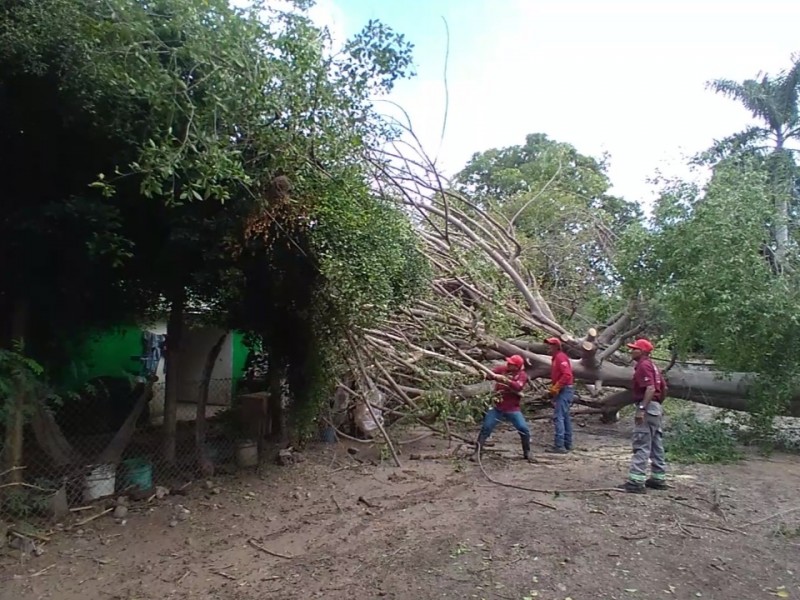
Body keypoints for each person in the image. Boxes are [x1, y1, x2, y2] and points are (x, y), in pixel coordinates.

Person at [622, 338, 668, 493]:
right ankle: (658, 478)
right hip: (655, 407)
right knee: (656, 443)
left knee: (642, 442)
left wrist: (642, 408)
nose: (631, 351)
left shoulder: (643, 366)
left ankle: (636, 481)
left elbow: (650, 388)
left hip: (647, 407)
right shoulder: (653, 366)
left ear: (641, 351)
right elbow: (664, 388)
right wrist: (658, 404)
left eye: (634, 348)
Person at [470, 354, 532, 462]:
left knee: (523, 429)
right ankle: (477, 452)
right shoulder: (502, 369)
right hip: (497, 406)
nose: (508, 364)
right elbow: (489, 375)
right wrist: (481, 372)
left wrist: (506, 380)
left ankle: (527, 452)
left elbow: (518, 386)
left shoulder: (522, 375)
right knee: (486, 427)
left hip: (512, 408)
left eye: (511, 364)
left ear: (517, 366)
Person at [544, 337, 575, 453]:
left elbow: (567, 375)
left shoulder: (560, 357)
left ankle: (559, 445)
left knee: (559, 417)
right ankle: (567, 443)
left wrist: (556, 387)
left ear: (557, 347)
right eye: (548, 345)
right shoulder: (556, 358)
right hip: (564, 389)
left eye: (550, 345)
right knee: (565, 416)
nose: (548, 347)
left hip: (565, 390)